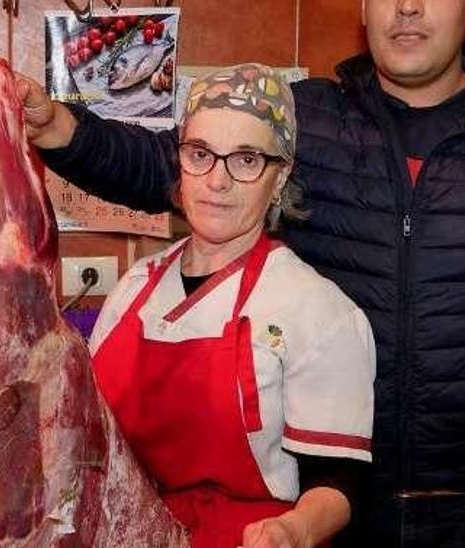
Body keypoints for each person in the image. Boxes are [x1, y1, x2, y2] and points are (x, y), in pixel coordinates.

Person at [19, 0, 465, 546]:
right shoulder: (310, 120)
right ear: (363, 8)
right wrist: (57, 127)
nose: (408, 9)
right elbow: (173, 164)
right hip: (331, 507)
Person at [88, 64, 376, 548]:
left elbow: (339, 482)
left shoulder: (318, 311)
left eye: (245, 160)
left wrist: (293, 529)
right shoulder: (135, 288)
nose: (217, 181)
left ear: (279, 177)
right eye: (200, 154)